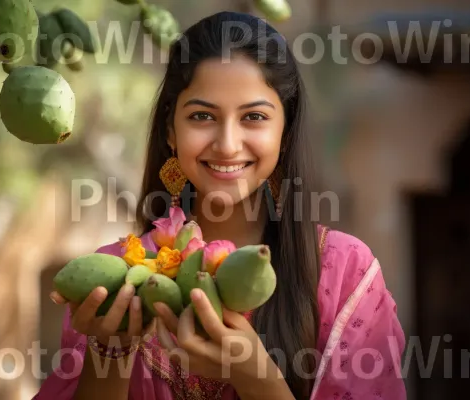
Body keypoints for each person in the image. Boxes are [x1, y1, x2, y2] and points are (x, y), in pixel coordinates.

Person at [34, 11, 407, 400]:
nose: (227, 144)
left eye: (254, 117)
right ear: (170, 131)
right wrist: (110, 352)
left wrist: (258, 379)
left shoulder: (344, 273)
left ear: (286, 129)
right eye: (202, 116)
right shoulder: (118, 279)